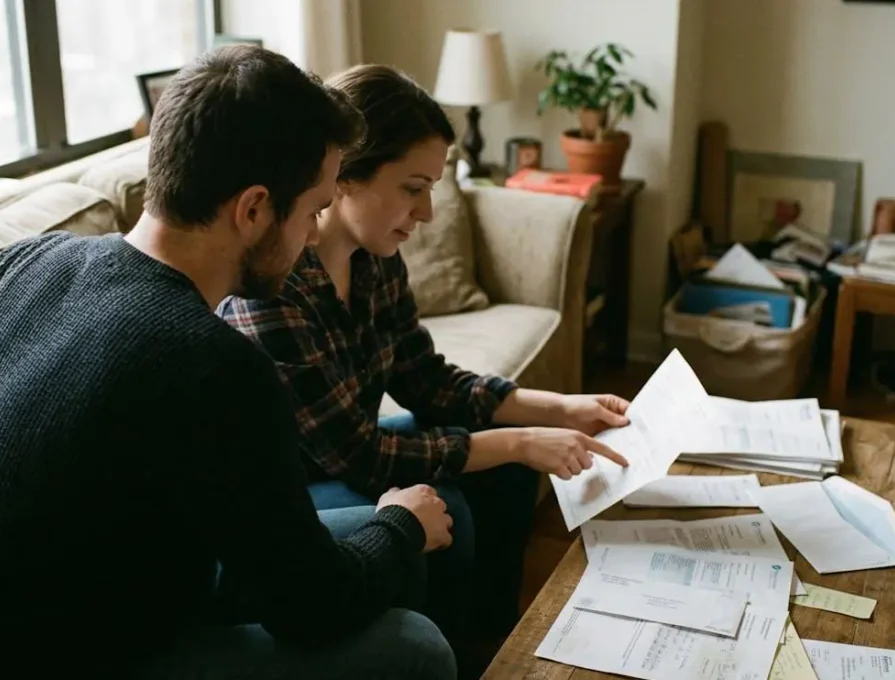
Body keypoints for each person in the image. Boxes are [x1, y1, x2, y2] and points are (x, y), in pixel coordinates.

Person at [0, 46, 458, 680]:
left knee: (400, 521)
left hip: (75, 614)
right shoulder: (219, 368)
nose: (317, 234)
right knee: (416, 645)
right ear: (254, 209)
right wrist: (400, 527)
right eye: (314, 210)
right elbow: (312, 609)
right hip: (87, 661)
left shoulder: (37, 264)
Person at [218, 64, 632, 675]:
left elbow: (428, 381)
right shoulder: (271, 287)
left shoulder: (376, 259)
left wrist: (559, 407)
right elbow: (357, 457)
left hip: (346, 451)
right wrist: (520, 438)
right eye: (413, 187)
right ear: (345, 174)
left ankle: (495, 646)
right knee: (459, 501)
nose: (429, 212)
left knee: (511, 473)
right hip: (297, 480)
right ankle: (450, 658)